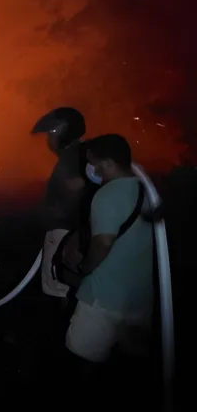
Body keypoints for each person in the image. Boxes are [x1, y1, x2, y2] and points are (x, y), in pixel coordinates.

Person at [65, 134, 154, 366]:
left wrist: (84, 266)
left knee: (81, 358)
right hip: (139, 300)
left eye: (91, 162)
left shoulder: (107, 194)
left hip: (104, 299)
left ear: (107, 163)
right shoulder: (148, 191)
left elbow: (104, 242)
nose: (89, 168)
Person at [31, 107, 96, 302]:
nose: (48, 140)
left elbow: (75, 190)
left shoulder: (73, 157)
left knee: (60, 288)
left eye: (51, 133)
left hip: (65, 235)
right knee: (62, 286)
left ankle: (71, 320)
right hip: (70, 233)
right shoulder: (82, 154)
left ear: (63, 132)